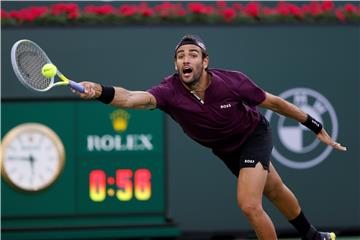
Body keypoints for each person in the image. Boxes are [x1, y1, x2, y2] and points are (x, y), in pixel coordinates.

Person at [72, 35, 346, 240]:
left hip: (252, 135)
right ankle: (312, 236)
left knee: (249, 204)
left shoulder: (232, 82)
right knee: (273, 189)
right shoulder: (168, 91)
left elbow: (275, 103)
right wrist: (99, 90)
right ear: (176, 64)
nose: (186, 59)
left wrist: (314, 125)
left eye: (193, 54)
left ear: (205, 62)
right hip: (225, 149)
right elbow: (131, 98)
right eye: (180, 56)